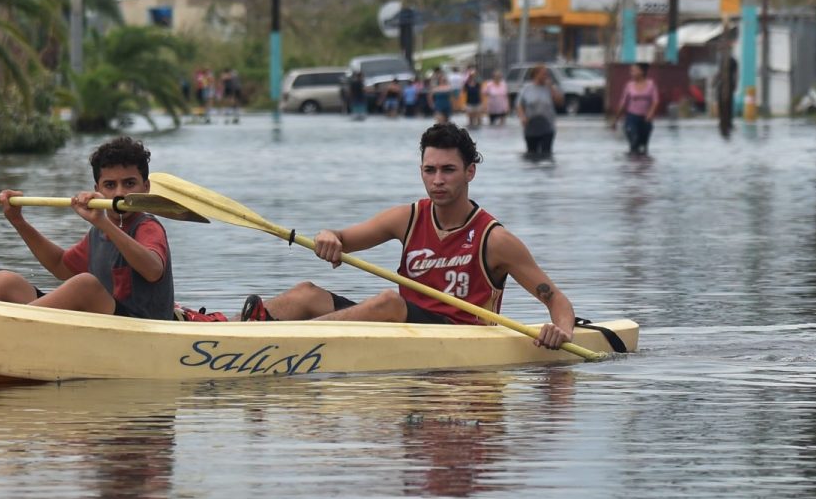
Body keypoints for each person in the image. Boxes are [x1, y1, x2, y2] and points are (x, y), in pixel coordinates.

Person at [238, 123, 575, 349]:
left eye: (448, 170)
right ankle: (220, 327)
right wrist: (329, 237)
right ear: (422, 172)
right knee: (306, 293)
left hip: (455, 341)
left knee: (388, 301)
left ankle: (281, 343)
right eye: (430, 170)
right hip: (401, 326)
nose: (438, 180)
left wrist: (561, 331)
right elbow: (342, 237)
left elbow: (556, 300)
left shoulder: (494, 239)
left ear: (470, 172)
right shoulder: (407, 218)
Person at [0, 136, 174, 317]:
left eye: (129, 184)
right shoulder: (98, 232)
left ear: (145, 188)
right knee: (5, 281)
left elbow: (153, 270)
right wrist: (18, 221)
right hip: (104, 326)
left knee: (85, 285)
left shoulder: (147, 227)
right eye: (110, 185)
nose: (119, 193)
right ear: (97, 189)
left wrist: (102, 222)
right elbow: (59, 265)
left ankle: (6, 325)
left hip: (140, 331)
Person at [611, 62, 661, 155]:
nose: (631, 73)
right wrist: (615, 120)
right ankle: (632, 166)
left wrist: (650, 113)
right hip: (631, 118)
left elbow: (655, 101)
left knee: (643, 147)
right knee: (634, 142)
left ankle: (643, 167)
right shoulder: (629, 85)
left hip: (645, 119)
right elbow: (622, 103)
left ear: (642, 72)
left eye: (634, 71)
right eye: (631, 71)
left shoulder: (651, 84)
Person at [517, 65, 562, 159]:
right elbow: (519, 105)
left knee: (546, 154)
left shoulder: (550, 88)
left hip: (547, 126)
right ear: (535, 74)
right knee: (531, 155)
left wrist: (551, 88)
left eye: (546, 74)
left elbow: (559, 102)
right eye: (543, 74)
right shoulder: (526, 89)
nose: (546, 76)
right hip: (531, 126)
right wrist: (522, 117)